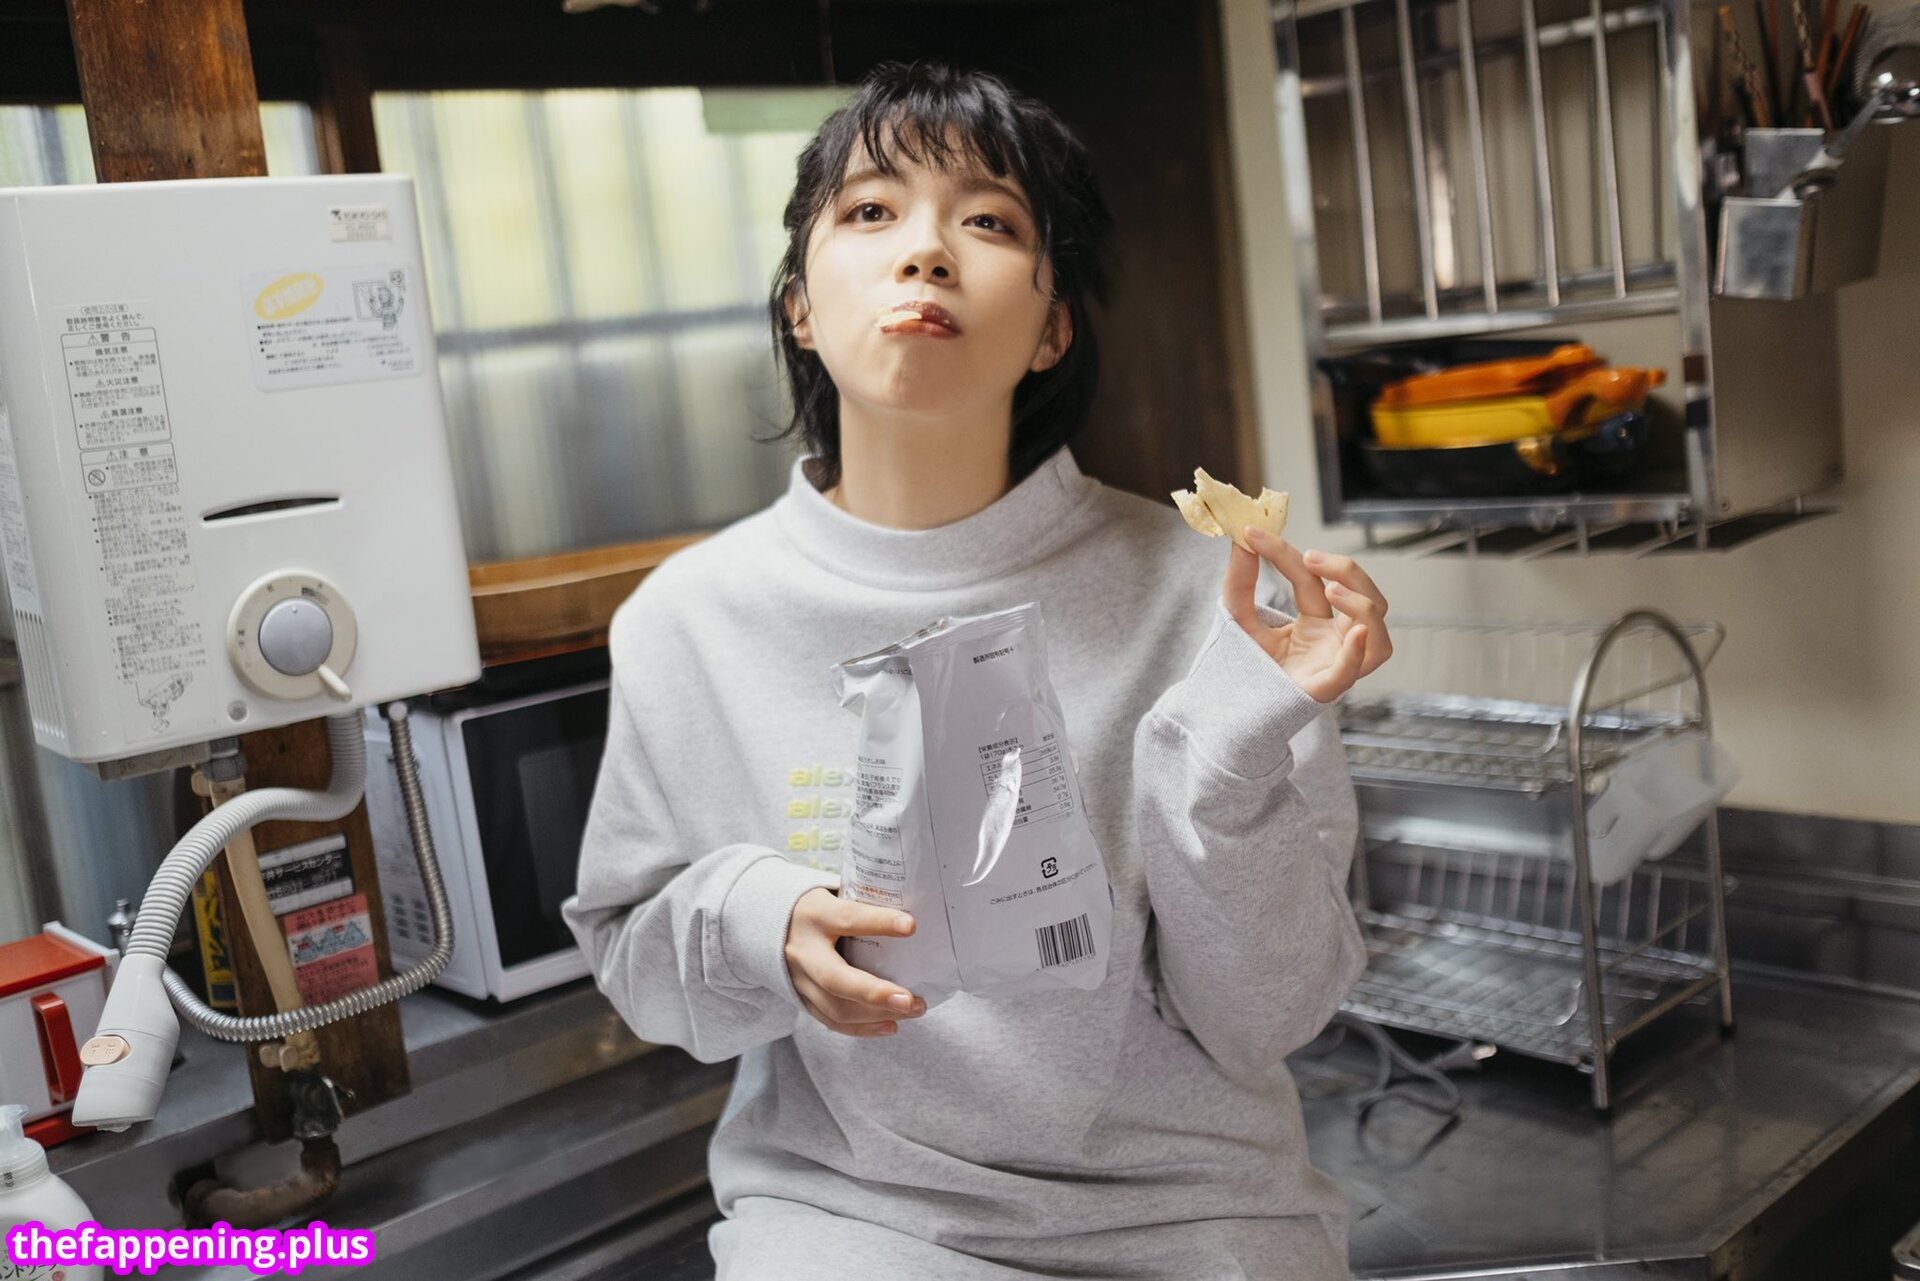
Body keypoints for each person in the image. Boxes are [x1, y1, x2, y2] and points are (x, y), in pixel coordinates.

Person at [562, 60, 1393, 1280]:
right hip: (850, 1223)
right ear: (800, 307)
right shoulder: (686, 621)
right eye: (871, 211)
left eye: (991, 222)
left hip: (1200, 1219)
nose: (926, 251)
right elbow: (636, 960)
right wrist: (760, 921)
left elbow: (1273, 1018)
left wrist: (1227, 765)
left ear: (1054, 327)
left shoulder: (1214, 600)